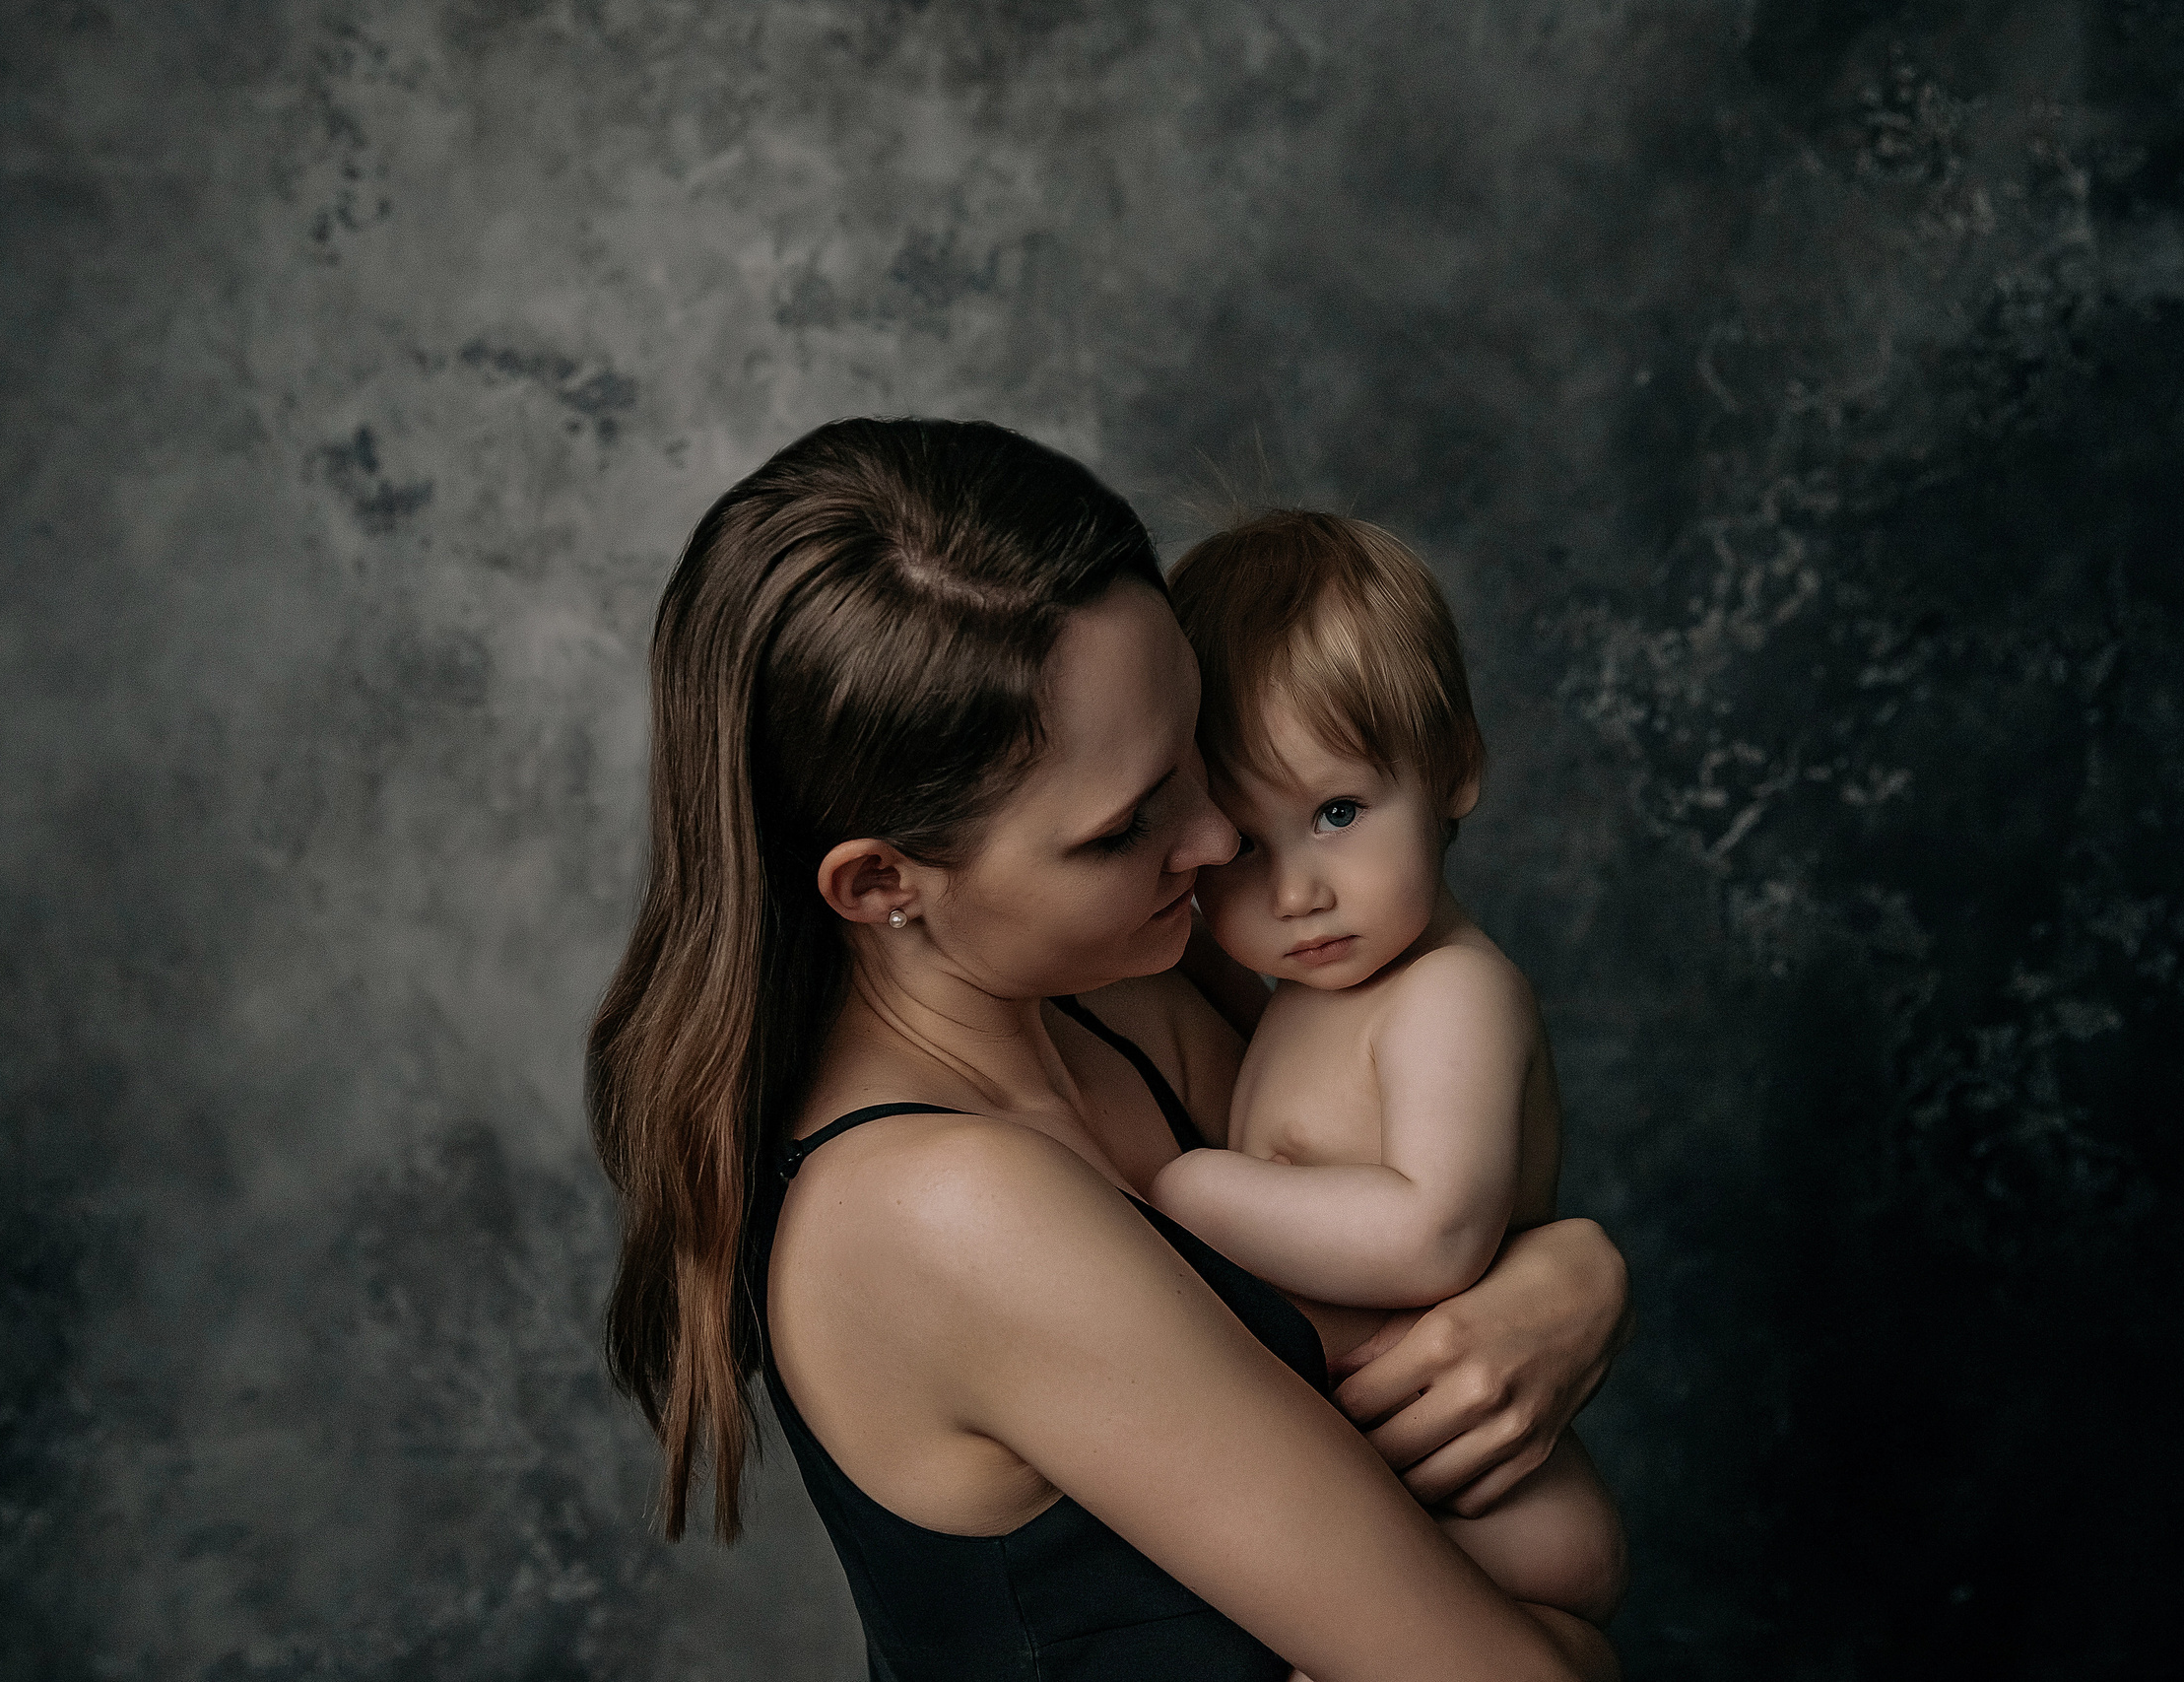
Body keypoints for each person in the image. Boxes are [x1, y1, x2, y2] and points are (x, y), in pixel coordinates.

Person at [589, 418, 1632, 1680]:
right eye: (1127, 823)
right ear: (880, 884)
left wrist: (1570, 1278)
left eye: (1195, 744)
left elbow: (1439, 1172)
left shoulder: (1124, 986)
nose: (1211, 840)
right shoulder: (938, 1208)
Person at [1151, 510, 1626, 1623]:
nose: (1296, 892)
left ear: (1453, 767)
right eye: (1245, 845)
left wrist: (1190, 1190)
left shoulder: (1450, 994)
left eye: (1336, 812)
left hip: (1482, 1511)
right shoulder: (1303, 991)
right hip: (1377, 1490)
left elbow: (1436, 1232)